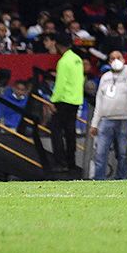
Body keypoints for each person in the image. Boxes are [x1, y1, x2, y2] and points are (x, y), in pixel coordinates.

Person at [91, 51, 127, 179]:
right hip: (106, 119)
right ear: (109, 62)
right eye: (112, 58)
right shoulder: (105, 77)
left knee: (123, 154)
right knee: (100, 153)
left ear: (123, 59)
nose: (115, 60)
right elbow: (99, 101)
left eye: (118, 58)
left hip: (126, 119)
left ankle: (122, 180)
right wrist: (94, 123)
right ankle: (98, 180)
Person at [49, 32, 84, 172]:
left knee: (56, 130)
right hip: (75, 101)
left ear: (58, 44)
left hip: (63, 100)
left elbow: (60, 84)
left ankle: (60, 162)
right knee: (70, 133)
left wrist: (53, 101)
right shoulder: (77, 59)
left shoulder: (64, 61)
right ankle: (71, 162)